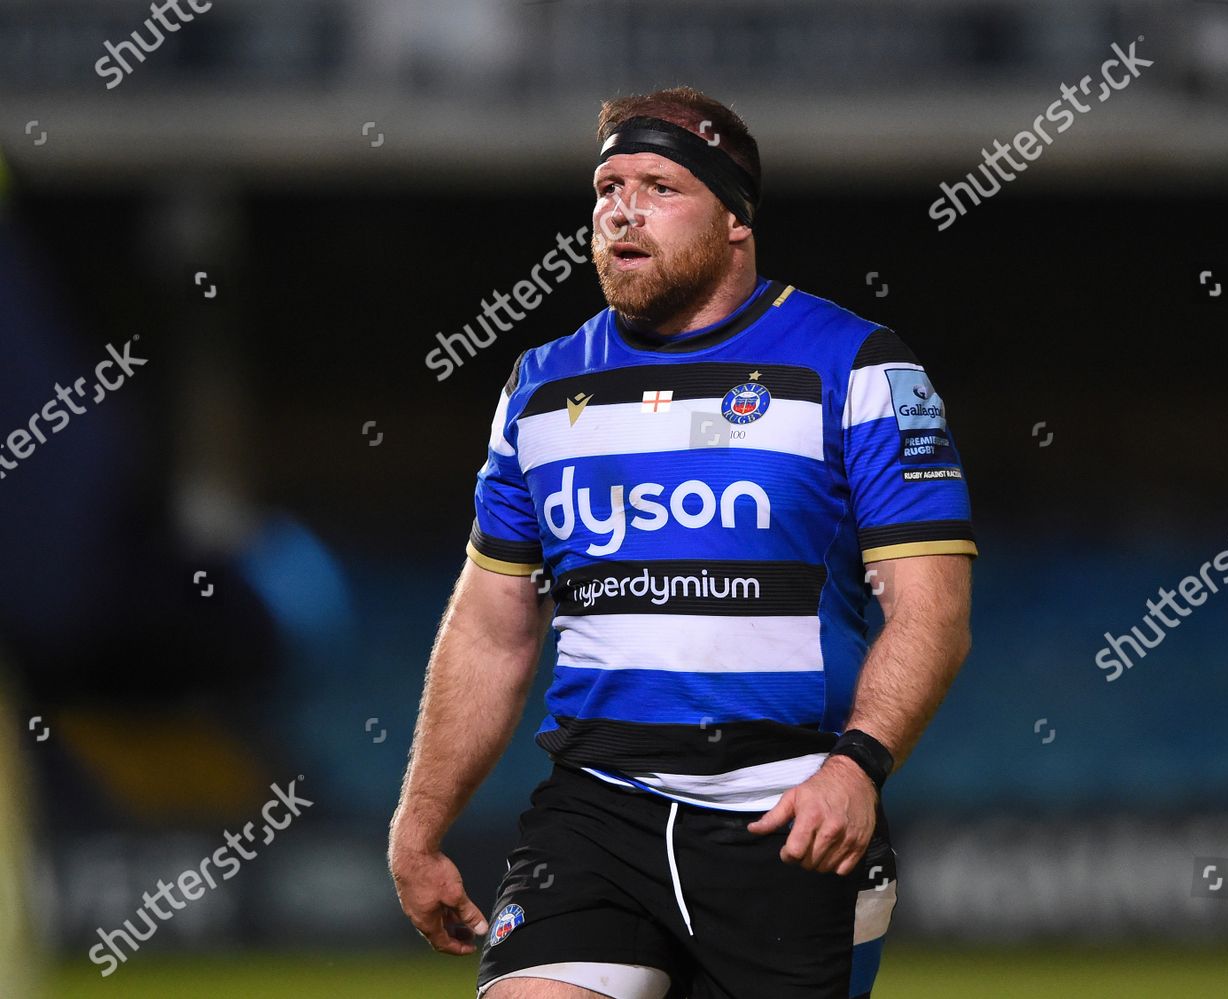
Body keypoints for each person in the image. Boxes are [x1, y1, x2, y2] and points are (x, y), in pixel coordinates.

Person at [388, 86, 977, 999]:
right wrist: (420, 825)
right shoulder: (540, 388)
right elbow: (492, 625)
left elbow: (931, 610)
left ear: (736, 220)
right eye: (607, 187)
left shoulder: (858, 367)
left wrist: (857, 767)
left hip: (787, 817)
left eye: (660, 186)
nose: (621, 210)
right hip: (595, 811)